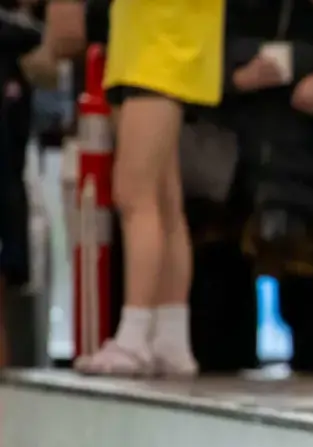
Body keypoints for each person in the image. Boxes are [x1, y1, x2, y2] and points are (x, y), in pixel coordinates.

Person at [73, 0, 224, 376]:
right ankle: (170, 335)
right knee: (163, 199)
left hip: (159, 52)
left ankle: (135, 333)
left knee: (134, 195)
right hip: (149, 48)